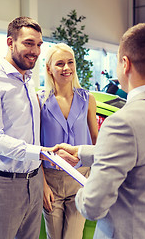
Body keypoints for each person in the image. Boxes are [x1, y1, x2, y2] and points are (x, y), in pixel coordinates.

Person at [55, 23, 145, 238]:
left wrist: (77, 195)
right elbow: (142, 154)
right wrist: (80, 152)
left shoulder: (122, 122)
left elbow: (92, 206)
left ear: (125, 63)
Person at [0, 16, 47, 239]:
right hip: (5, 185)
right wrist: (41, 152)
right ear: (10, 42)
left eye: (39, 45)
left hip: (33, 181)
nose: (35, 50)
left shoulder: (28, 79)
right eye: (28, 43)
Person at [38, 43, 98, 239]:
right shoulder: (39, 101)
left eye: (70, 62)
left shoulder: (88, 99)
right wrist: (43, 185)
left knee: (73, 236)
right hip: (51, 180)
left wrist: (95, 180)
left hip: (81, 179)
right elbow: (36, 146)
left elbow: (96, 143)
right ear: (49, 68)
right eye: (60, 63)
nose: (66, 68)